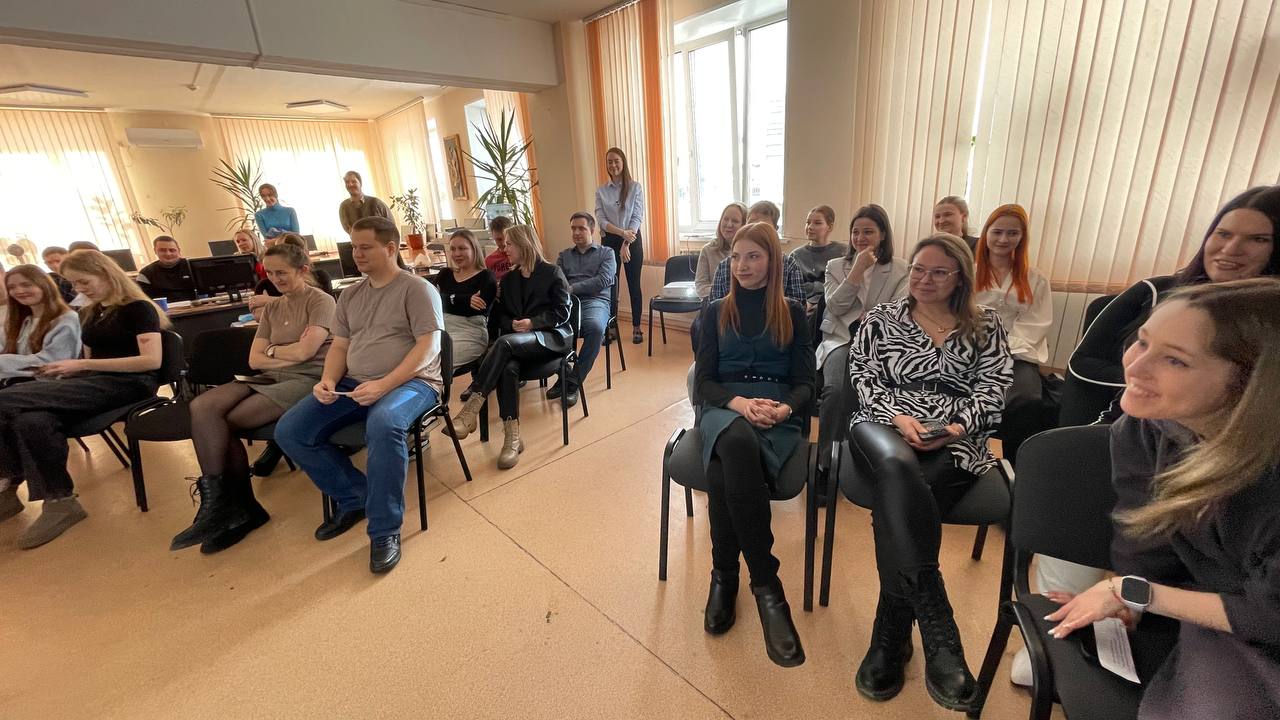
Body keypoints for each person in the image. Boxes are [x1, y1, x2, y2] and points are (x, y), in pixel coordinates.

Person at [1045, 278, 1280, 720]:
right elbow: (1143, 527)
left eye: (1175, 359)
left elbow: (1269, 616)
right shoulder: (1148, 427)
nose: (1135, 367)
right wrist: (1131, 597)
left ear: (1252, 384)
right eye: (1142, 341)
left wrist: (1134, 592)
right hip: (1222, 611)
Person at [848, 233, 1012, 709]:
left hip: (956, 437)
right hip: (884, 424)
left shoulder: (986, 325)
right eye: (918, 269)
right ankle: (939, 626)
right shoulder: (882, 319)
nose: (924, 279)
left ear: (961, 277)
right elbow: (863, 378)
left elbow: (995, 389)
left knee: (902, 508)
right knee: (898, 470)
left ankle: (890, 636)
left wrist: (956, 427)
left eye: (939, 272)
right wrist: (900, 418)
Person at [274, 216, 443, 574]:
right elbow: (340, 347)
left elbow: (428, 347)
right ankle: (355, 496)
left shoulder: (417, 289)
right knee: (290, 430)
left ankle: (384, 530)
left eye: (365, 247)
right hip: (354, 383)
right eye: (354, 247)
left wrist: (385, 384)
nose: (357, 254)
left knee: (383, 424)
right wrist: (327, 381)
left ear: (391, 248)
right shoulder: (350, 295)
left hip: (415, 383)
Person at [1060, 185, 1279, 427]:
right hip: (1132, 425)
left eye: (1258, 239)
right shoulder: (1160, 294)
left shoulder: (1266, 326)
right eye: (1223, 234)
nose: (1230, 249)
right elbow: (1085, 363)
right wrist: (1144, 384)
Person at [694, 221, 812, 668]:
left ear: (772, 261)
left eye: (753, 256)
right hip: (726, 405)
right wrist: (740, 403)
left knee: (723, 472)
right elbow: (704, 383)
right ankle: (767, 586)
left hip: (776, 412)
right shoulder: (715, 311)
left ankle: (724, 575)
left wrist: (784, 410)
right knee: (738, 441)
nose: (742, 266)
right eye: (736, 257)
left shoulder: (793, 312)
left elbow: (806, 383)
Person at [170, 242, 336, 554]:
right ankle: (217, 503)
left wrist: (273, 351)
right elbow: (254, 359)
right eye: (269, 273)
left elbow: (306, 353)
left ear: (302, 270)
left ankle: (240, 510)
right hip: (271, 374)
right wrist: (282, 353)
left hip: (308, 378)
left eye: (282, 272)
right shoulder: (272, 308)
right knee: (203, 405)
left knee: (227, 422)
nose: (275, 279)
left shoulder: (320, 301)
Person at [0, 250, 169, 548]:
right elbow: (91, 364)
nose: (78, 289)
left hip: (131, 384)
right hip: (95, 382)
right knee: (32, 420)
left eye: (83, 282)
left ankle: (9, 481)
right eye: (74, 284)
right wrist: (70, 373)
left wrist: (80, 365)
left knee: (6, 401)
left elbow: (151, 361)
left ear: (105, 273)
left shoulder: (138, 308)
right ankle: (60, 502)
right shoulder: (91, 312)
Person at [446, 226, 571, 470]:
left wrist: (533, 323)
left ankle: (471, 408)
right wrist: (511, 323)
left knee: (504, 344)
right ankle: (512, 439)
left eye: (509, 244)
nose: (505, 249)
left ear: (524, 244)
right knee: (508, 367)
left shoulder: (552, 273)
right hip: (517, 343)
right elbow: (499, 316)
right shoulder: (509, 279)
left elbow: (563, 312)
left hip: (548, 338)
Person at [815, 204, 908, 477]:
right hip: (841, 339)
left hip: (881, 345)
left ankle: (864, 459)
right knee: (835, 391)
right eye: (855, 232)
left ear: (882, 234)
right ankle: (826, 462)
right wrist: (857, 270)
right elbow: (835, 306)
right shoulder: (835, 266)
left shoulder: (900, 268)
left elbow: (900, 311)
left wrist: (873, 318)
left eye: (868, 231)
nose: (860, 238)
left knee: (874, 392)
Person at [972, 204, 1053, 464]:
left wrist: (1002, 351)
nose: (1003, 239)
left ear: (1022, 237)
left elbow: (1035, 323)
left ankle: (1013, 464)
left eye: (1012, 233)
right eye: (997, 232)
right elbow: (956, 316)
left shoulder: (1035, 279)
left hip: (1018, 353)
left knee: (1026, 399)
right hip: (971, 351)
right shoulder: (968, 273)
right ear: (986, 234)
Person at [552, 212, 616, 406]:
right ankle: (563, 373)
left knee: (595, 329)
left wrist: (572, 288)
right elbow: (557, 282)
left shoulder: (607, 253)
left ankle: (573, 382)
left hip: (595, 301)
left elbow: (603, 280)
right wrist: (566, 292)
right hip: (568, 303)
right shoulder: (564, 256)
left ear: (592, 230)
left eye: (581, 228)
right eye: (573, 228)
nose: (576, 232)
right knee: (549, 326)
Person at [708, 201, 806, 304]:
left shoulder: (789, 265)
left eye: (763, 226)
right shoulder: (724, 266)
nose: (755, 230)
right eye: (751, 224)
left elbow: (797, 306)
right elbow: (715, 306)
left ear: (775, 229)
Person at [595, 147, 645, 344]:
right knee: (611, 286)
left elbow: (636, 217)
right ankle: (612, 327)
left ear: (623, 162)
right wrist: (621, 234)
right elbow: (601, 220)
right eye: (609, 161)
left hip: (632, 240)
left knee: (634, 285)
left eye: (616, 160)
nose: (613, 165)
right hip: (610, 240)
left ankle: (637, 328)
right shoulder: (601, 191)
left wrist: (626, 242)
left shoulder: (635, 187)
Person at [0, 265, 81, 385]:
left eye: (26, 285)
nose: (19, 291)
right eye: (12, 287)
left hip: (52, 385)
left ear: (44, 285)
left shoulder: (67, 319)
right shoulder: (25, 320)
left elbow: (54, 362)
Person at [431, 228, 497, 367]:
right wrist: (464, 299)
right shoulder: (445, 274)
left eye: (462, 248)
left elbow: (477, 309)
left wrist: (445, 298)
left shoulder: (486, 276)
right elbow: (429, 300)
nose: (457, 254)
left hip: (470, 331)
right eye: (453, 249)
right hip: (440, 327)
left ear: (474, 249)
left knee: (433, 363)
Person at [789, 205, 846, 310]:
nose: (810, 227)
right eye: (808, 222)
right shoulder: (796, 255)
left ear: (830, 227)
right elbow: (794, 287)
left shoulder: (843, 252)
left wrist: (815, 300)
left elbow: (842, 285)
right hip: (803, 305)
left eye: (817, 223)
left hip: (833, 304)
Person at [694, 203, 747, 299]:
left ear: (744, 225)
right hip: (715, 302)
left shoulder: (749, 252)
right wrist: (723, 297)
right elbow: (701, 286)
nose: (729, 224)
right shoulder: (708, 250)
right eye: (725, 219)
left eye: (735, 221)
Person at [136, 235, 196, 302]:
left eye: (172, 250)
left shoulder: (193, 267)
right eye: (162, 250)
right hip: (162, 308)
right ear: (155, 251)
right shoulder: (145, 274)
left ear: (179, 251)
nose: (168, 254)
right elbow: (145, 301)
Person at [484, 215, 514, 282]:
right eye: (499, 239)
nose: (504, 243)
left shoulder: (519, 257)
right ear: (492, 236)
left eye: (506, 238)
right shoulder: (488, 261)